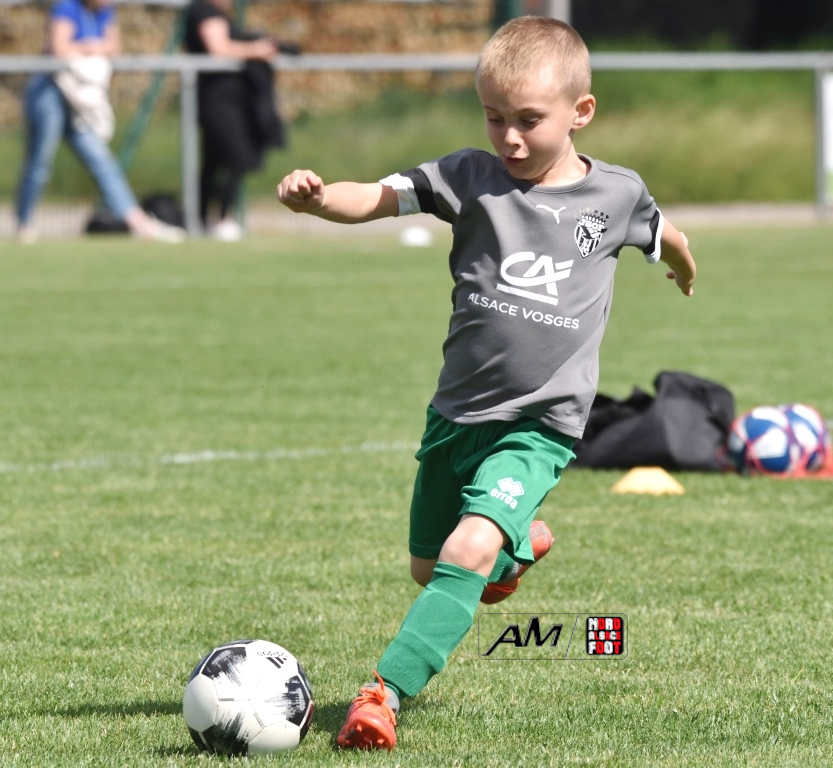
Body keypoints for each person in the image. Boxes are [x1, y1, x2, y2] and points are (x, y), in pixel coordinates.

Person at [276, 16, 696, 751]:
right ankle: (516, 546)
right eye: (494, 117)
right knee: (429, 567)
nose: (510, 137)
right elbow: (374, 197)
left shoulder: (617, 195)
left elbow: (669, 236)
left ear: (581, 112)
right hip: (457, 413)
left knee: (466, 550)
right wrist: (316, 199)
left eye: (529, 120)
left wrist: (683, 269)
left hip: (540, 424)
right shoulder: (469, 177)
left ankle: (383, 695)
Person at [15, 0, 185, 243]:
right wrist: (94, 46)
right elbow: (59, 49)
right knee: (39, 163)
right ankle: (24, 223)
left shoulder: (105, 12)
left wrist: (83, 47)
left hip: (80, 100)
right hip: (50, 93)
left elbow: (114, 48)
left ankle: (136, 221)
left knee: (102, 160)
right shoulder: (67, 8)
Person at [184, 0, 282, 241]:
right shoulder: (204, 10)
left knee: (214, 163)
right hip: (217, 102)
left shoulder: (220, 14)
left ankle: (202, 220)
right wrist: (255, 50)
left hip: (229, 101)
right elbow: (218, 48)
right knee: (239, 158)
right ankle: (219, 218)